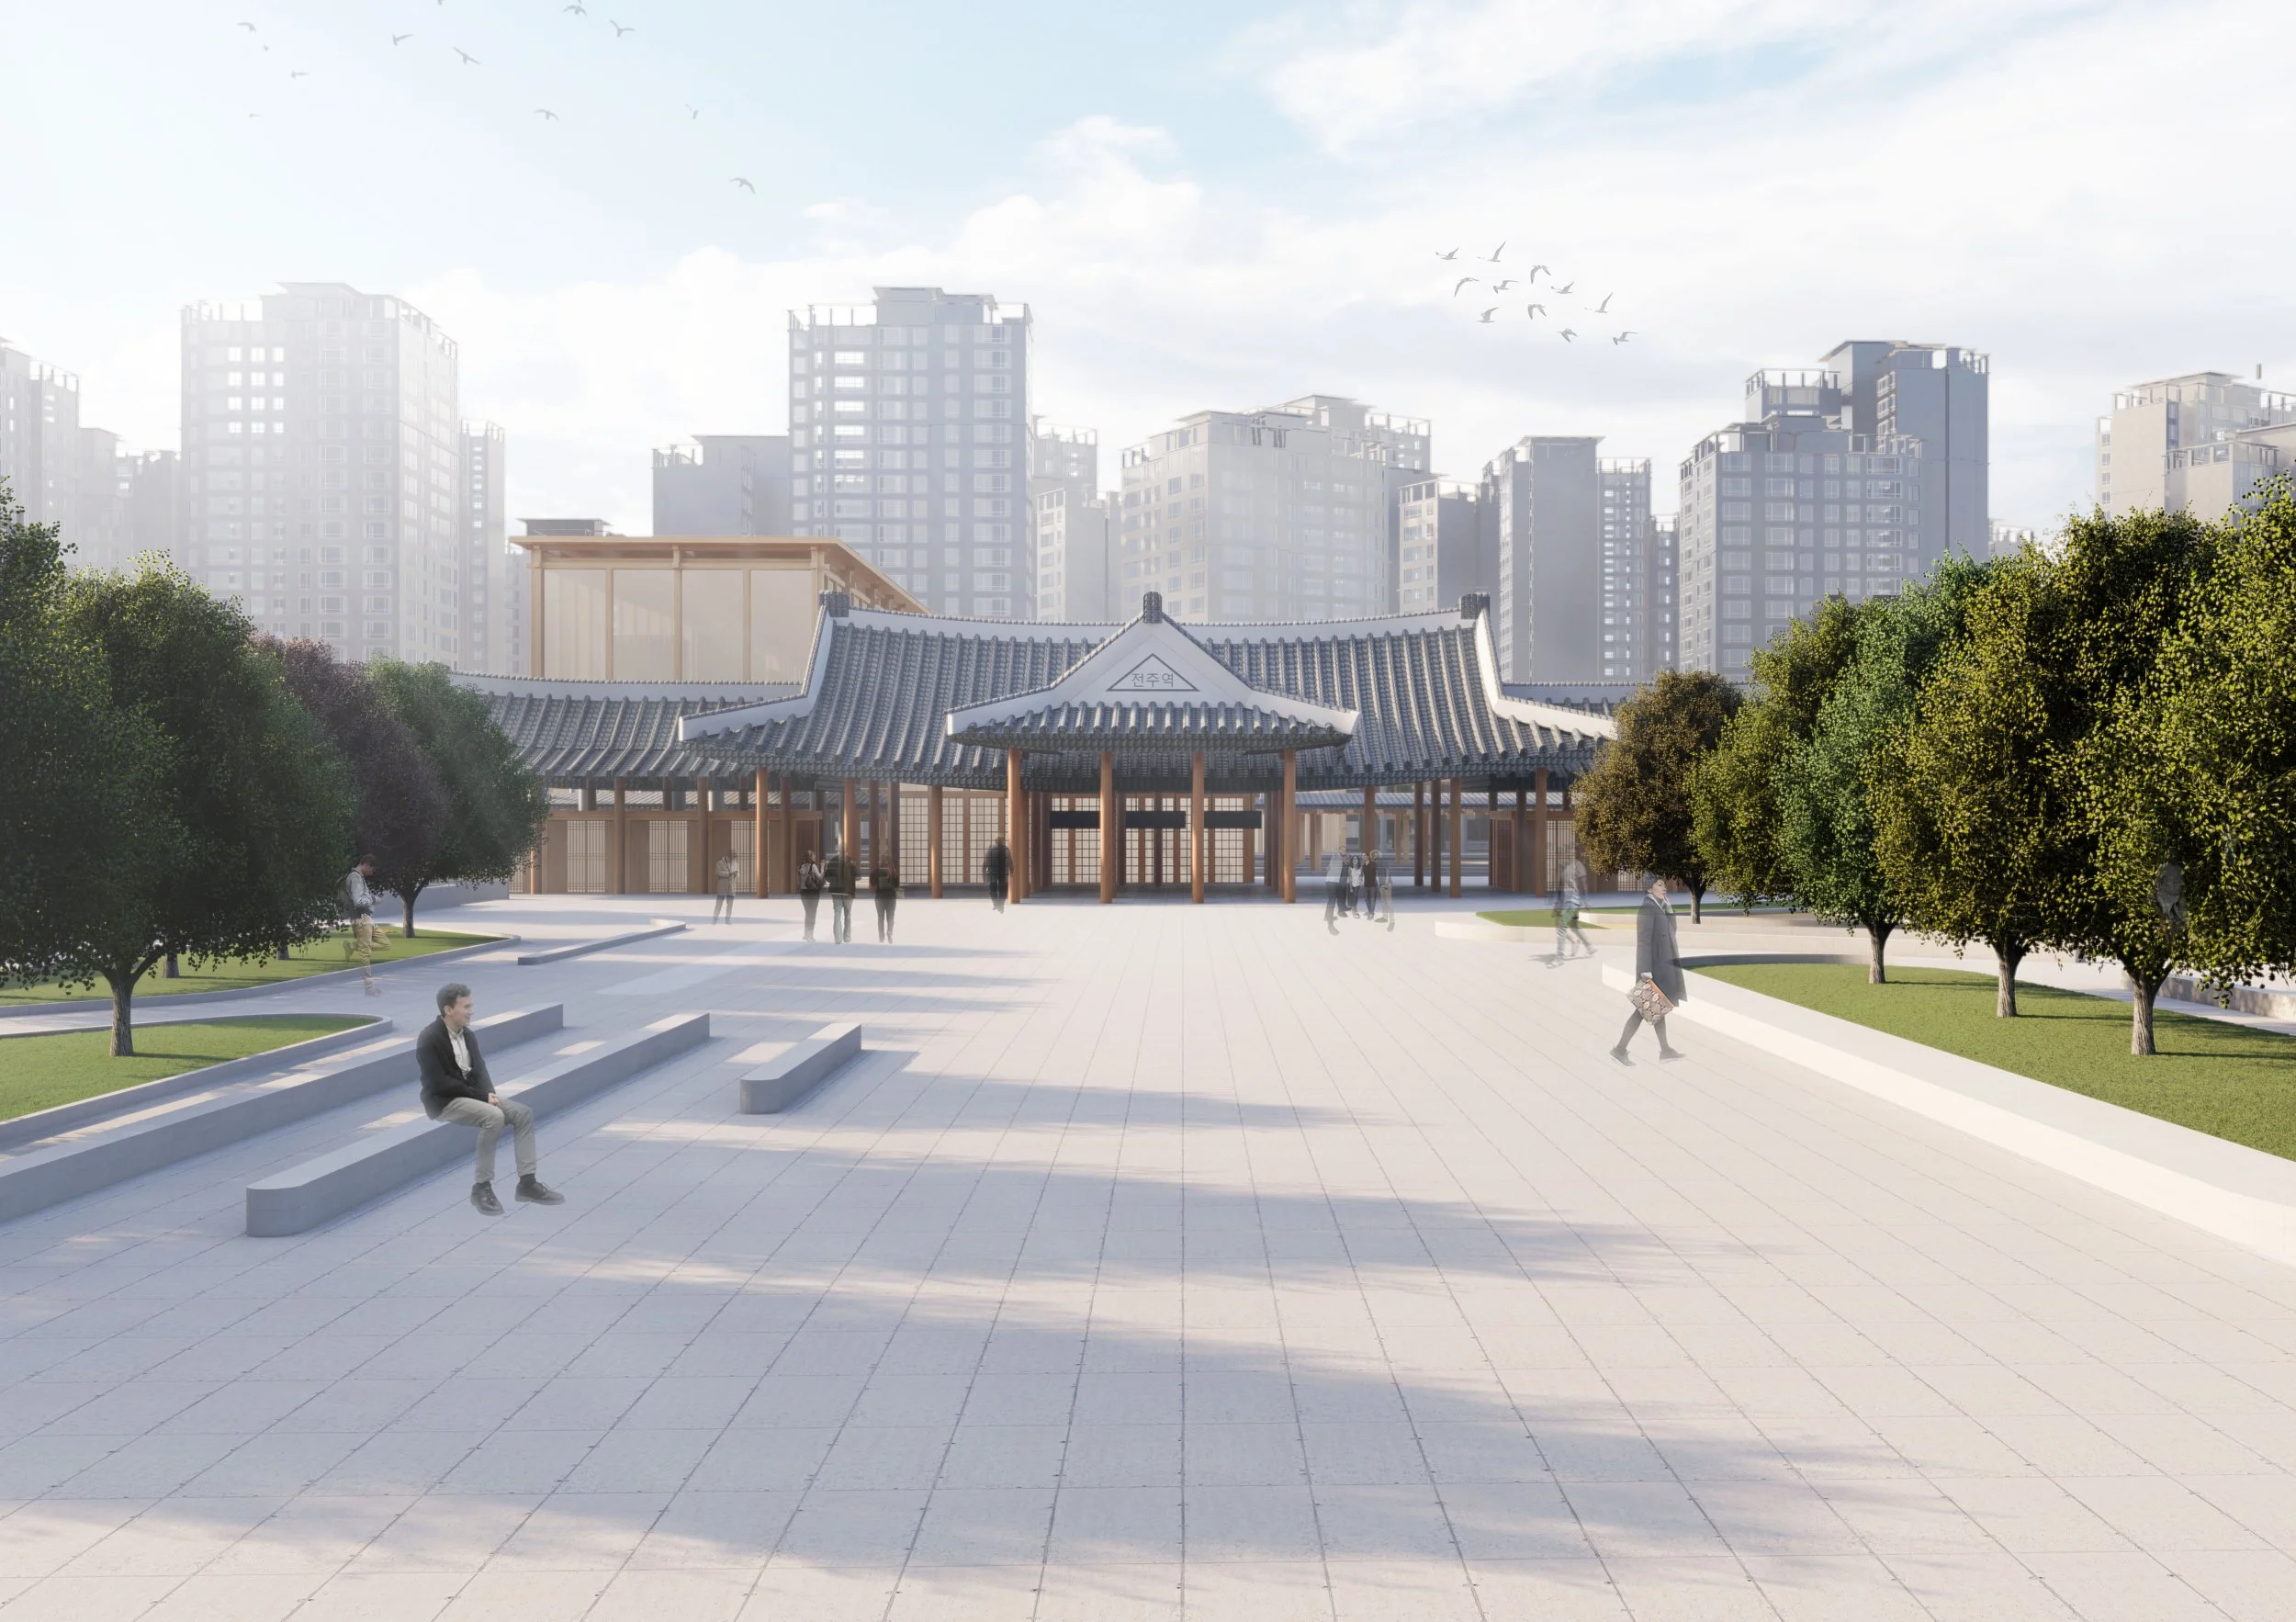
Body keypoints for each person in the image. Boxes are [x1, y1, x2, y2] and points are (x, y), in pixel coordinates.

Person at [418, 982, 564, 1215]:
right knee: (494, 1117)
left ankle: (527, 1184)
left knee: (523, 1113)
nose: (471, 1011)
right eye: (466, 1007)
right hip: (445, 1101)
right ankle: (481, 1188)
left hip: (473, 1095)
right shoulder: (429, 1038)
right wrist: (482, 1097)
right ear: (448, 1010)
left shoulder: (468, 1035)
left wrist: (490, 1094)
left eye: (471, 1006)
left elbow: (480, 1070)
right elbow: (439, 1083)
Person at [1611, 876, 1685, 1064]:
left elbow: (1672, 931)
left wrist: (1669, 910)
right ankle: (1620, 1050)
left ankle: (1665, 1050)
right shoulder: (1647, 908)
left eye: (1664, 884)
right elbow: (1643, 940)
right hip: (1653, 970)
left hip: (1662, 967)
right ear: (1649, 889)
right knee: (1644, 1009)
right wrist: (1645, 970)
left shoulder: (1659, 908)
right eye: (1659, 885)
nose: (1664, 888)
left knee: (1657, 1008)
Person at [342, 856, 383, 996]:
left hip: (361, 918)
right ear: (366, 864)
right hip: (361, 919)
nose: (372, 872)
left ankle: (369, 987)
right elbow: (358, 901)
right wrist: (373, 899)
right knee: (365, 953)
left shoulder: (356, 877)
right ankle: (369, 988)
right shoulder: (356, 878)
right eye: (372, 868)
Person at [1554, 855, 1595, 961]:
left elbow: (1582, 885)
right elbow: (1561, 889)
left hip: (1572, 903)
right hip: (1570, 903)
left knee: (1562, 927)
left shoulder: (1574, 868)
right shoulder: (1566, 870)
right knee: (1575, 926)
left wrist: (1586, 901)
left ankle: (1560, 954)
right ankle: (1590, 947)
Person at [823, 848, 857, 943]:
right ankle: (847, 937)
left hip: (835, 890)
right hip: (848, 891)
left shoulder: (833, 860)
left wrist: (834, 880)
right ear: (847, 851)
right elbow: (858, 876)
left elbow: (827, 877)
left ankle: (838, 939)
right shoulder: (851, 861)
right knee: (848, 915)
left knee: (837, 914)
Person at [796, 850, 825, 941]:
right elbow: (820, 877)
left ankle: (806, 933)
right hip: (812, 892)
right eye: (814, 856)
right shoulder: (813, 866)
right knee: (812, 914)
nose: (815, 857)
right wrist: (823, 868)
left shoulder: (801, 866)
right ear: (810, 857)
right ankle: (810, 935)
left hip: (803, 892)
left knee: (808, 913)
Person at [871, 858, 900, 942]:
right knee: (890, 917)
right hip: (891, 898)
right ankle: (889, 932)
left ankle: (881, 936)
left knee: (880, 918)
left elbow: (872, 883)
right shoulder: (893, 872)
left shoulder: (877, 872)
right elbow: (897, 885)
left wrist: (875, 872)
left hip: (880, 898)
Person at [983, 839, 1012, 913]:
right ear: (1002, 842)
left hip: (993, 871)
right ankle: (1001, 904)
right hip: (1003, 871)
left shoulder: (991, 849)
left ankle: (996, 904)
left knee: (993, 888)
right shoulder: (1006, 849)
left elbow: (986, 860)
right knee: (1003, 889)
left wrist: (984, 870)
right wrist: (1012, 869)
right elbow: (1010, 861)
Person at [712, 852, 739, 924]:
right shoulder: (719, 863)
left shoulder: (735, 864)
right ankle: (715, 918)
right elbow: (718, 873)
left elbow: (738, 875)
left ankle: (728, 919)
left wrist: (736, 874)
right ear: (726, 856)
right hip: (722, 887)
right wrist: (729, 873)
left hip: (731, 887)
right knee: (719, 904)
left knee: (730, 905)